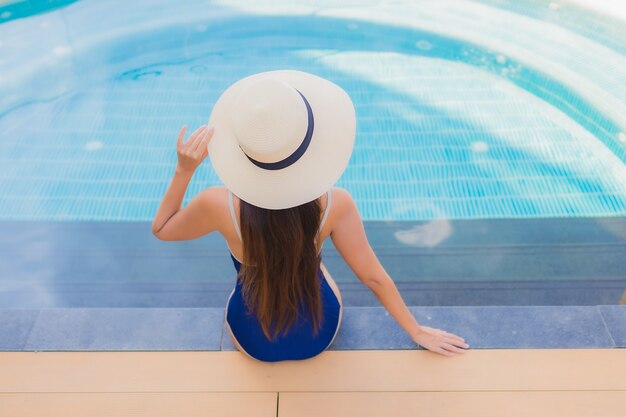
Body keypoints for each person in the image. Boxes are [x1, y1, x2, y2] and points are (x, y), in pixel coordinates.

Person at [151, 69, 469, 362]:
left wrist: (184, 170)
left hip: (254, 342)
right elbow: (372, 277)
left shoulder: (218, 205)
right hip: (320, 332)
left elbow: (162, 229)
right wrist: (417, 330)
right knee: (310, 257)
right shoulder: (335, 204)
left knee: (251, 276)